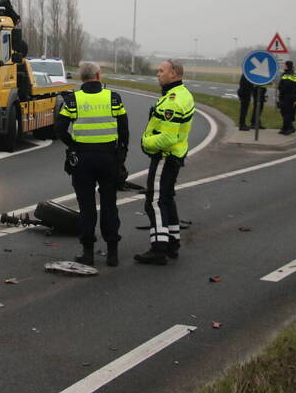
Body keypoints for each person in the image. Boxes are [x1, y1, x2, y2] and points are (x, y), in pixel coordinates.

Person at [55, 61, 129, 266]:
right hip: (108, 158)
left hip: (83, 159)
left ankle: (88, 253)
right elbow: (124, 129)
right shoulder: (113, 98)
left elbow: (60, 129)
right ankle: (112, 252)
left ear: (81, 77)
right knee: (109, 204)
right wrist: (121, 156)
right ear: (98, 75)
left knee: (86, 206)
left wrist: (73, 145)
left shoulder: (73, 100)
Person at [135, 59, 194, 265]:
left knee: (155, 201)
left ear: (174, 73)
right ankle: (172, 243)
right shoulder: (183, 94)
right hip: (175, 155)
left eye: (161, 71)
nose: (157, 74)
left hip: (165, 156)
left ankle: (158, 248)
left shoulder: (172, 101)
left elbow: (167, 137)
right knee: (167, 198)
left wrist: (146, 143)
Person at [277, 61, 296, 135]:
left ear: (287, 66)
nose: (283, 66)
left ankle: (289, 128)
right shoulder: (295, 75)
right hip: (293, 97)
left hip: (287, 97)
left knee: (286, 113)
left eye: (284, 65)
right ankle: (285, 127)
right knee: (286, 112)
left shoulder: (287, 75)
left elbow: (283, 86)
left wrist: (280, 90)